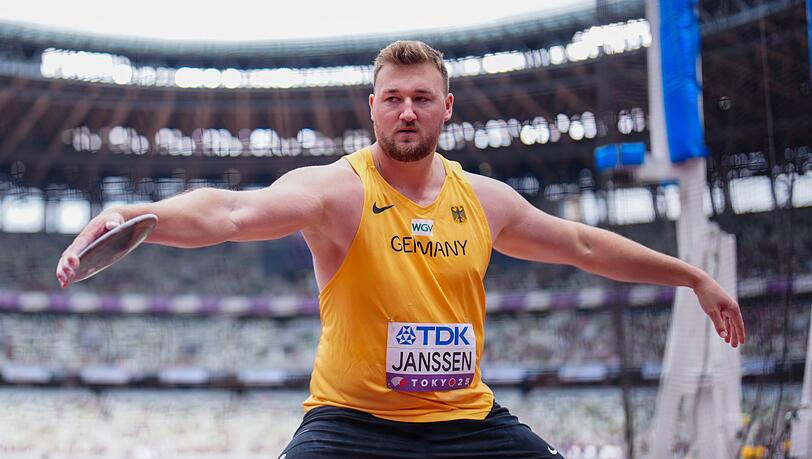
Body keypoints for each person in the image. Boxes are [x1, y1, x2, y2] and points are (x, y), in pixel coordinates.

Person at [56, 40, 745, 458]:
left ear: (447, 107)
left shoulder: (485, 200)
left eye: (421, 97)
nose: (406, 110)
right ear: (373, 107)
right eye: (392, 98)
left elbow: (584, 244)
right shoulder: (338, 191)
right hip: (351, 425)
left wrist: (692, 277)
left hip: (466, 421)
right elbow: (232, 212)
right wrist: (134, 214)